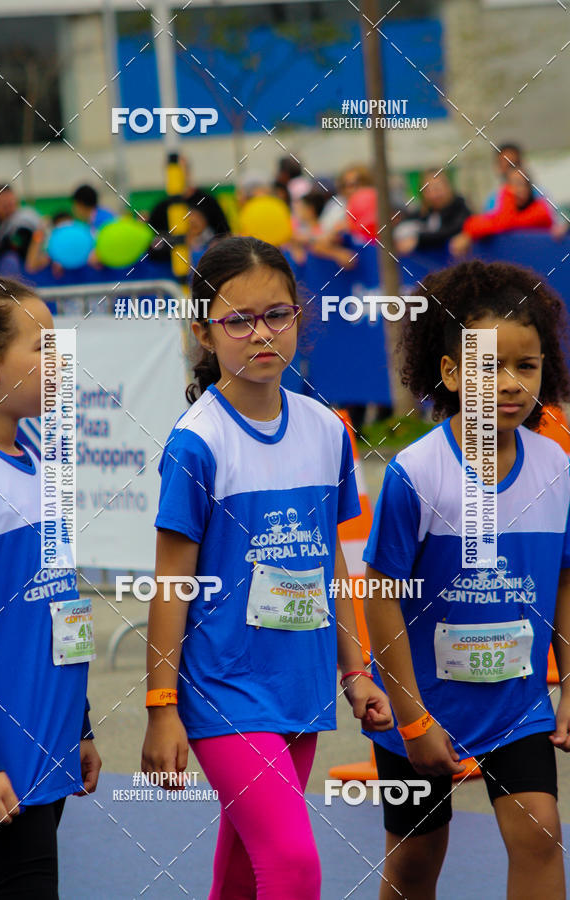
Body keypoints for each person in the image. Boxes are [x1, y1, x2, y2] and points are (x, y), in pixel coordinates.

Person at [141, 235, 393, 899]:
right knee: (293, 865)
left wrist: (355, 671)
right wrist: (161, 706)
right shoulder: (198, 441)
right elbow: (170, 583)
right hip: (225, 688)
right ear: (204, 333)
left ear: (299, 318)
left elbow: (331, 564)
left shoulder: (326, 430)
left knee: (246, 869)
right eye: (238, 320)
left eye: (277, 314)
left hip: (301, 685)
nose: (261, 334)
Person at [363, 259, 570, 899]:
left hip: (517, 708)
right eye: (488, 366)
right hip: (423, 710)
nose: (509, 384)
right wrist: (412, 717)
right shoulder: (416, 473)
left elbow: (565, 580)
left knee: (540, 829)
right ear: (451, 373)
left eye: (525, 366)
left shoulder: (556, 465)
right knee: (418, 860)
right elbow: (380, 595)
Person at [0, 276, 101, 897]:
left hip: (46, 749)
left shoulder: (41, 457)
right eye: (43, 346)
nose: (61, 360)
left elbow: (61, 604)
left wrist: (80, 724)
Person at [451, 169, 553, 257]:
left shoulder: (541, 209)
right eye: (512, 185)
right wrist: (468, 233)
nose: (519, 189)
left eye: (523, 184)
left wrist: (507, 193)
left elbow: (507, 223)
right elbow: (473, 222)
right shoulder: (504, 213)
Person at [394, 170, 471, 255]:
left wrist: (418, 240)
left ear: (448, 187)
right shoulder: (424, 213)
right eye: (428, 190)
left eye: (438, 188)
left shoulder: (460, 208)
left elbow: (451, 230)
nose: (434, 194)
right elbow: (404, 226)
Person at [0, 185, 43, 273]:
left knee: (9, 259)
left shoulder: (23, 221)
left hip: (23, 266)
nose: (8, 208)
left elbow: (13, 246)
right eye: (4, 204)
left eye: (10, 204)